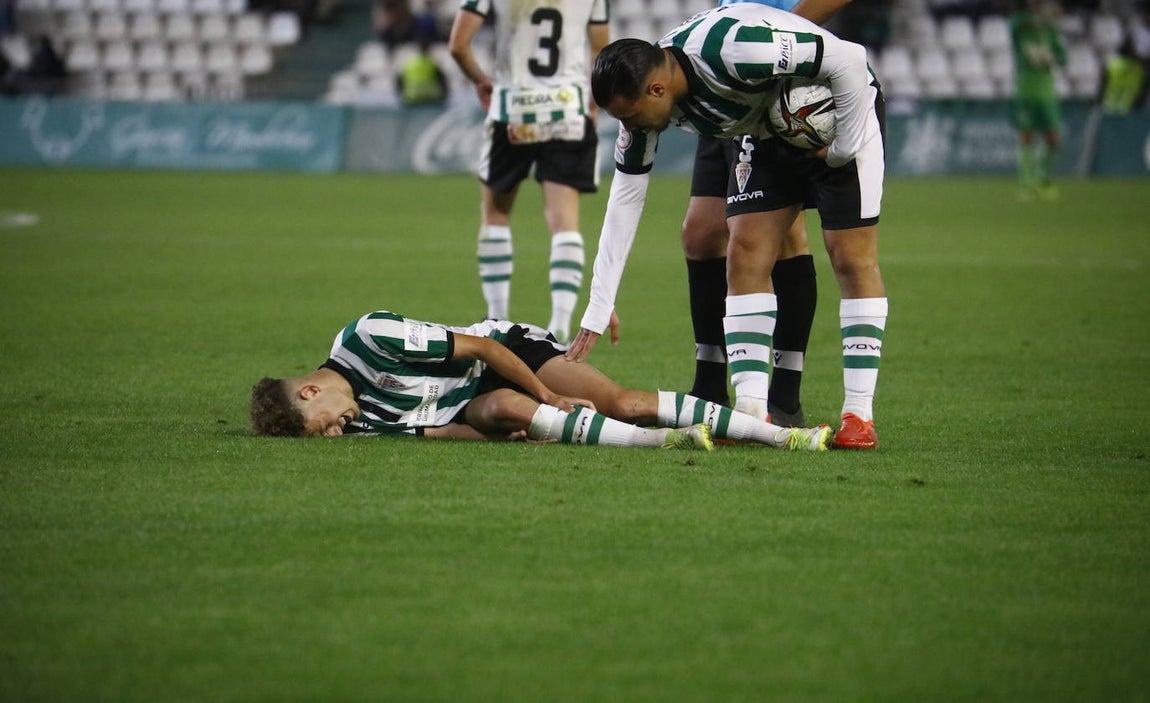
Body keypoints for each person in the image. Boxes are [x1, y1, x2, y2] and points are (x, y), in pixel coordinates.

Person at [568, 2, 887, 450]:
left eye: (630, 115)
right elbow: (625, 197)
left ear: (657, 89)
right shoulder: (645, 92)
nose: (629, 127)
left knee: (851, 258)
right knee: (745, 252)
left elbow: (850, 59)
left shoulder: (735, 49)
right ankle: (751, 414)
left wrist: (841, 149)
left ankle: (858, 414)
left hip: (841, 112)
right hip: (763, 132)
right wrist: (600, 304)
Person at [656, 0, 856, 428]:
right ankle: (709, 385)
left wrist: (774, 54)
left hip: (770, 81)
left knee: (780, 238)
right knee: (701, 234)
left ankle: (784, 395)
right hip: (725, 80)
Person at [249, 308, 834, 451]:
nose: (334, 434)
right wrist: (516, 432)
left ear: (309, 392)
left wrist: (549, 395)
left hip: (506, 350)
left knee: (622, 403)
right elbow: (437, 432)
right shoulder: (356, 424)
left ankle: (784, 436)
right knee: (509, 414)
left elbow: (482, 348)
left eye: (321, 425)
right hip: (473, 403)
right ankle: (666, 441)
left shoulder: (369, 336)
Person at [448, 0, 611, 343]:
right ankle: (560, 327)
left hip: (513, 109)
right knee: (564, 223)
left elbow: (458, 45)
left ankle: (496, 320)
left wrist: (481, 80)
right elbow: (601, 49)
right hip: (568, 109)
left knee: (496, 215)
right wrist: (593, 98)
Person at [1009, 0, 1067, 202]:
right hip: (1025, 91)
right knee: (1026, 135)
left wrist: (1050, 57)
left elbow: (1063, 59)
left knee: (1053, 139)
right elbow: (1014, 22)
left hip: (1046, 92)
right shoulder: (1020, 30)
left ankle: (1041, 178)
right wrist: (1037, 18)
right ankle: (1027, 183)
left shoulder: (1050, 33)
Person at [1099, 36, 1148, 114]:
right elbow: (1141, 93)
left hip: (1107, 107)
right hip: (1127, 111)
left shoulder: (1112, 64)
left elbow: (1102, 86)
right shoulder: (1139, 69)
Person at [396, 39, 449, 105]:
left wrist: (401, 95)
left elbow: (398, 80)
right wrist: (444, 96)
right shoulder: (432, 64)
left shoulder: (408, 64)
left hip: (411, 97)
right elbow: (443, 80)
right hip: (430, 97)